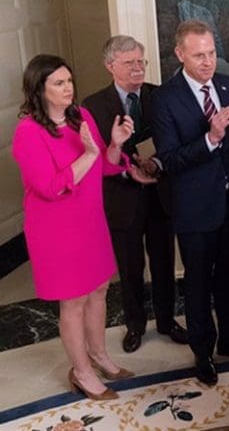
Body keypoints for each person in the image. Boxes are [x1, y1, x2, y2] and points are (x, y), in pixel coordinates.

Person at [12, 55, 149, 399]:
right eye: (58, 83)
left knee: (99, 289)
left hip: (90, 221)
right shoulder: (28, 132)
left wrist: (115, 144)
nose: (68, 88)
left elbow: (105, 166)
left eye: (69, 80)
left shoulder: (81, 116)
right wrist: (87, 154)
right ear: (39, 90)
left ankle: (100, 355)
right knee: (72, 301)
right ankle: (82, 371)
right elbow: (50, 186)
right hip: (56, 231)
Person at [152, 19, 229, 386]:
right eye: (199, 55)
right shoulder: (164, 98)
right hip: (194, 209)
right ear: (180, 54)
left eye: (212, 53)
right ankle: (203, 353)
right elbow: (169, 160)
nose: (207, 61)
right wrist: (212, 137)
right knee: (199, 285)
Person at [83, 35, 188, 353]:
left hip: (160, 193)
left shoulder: (162, 96)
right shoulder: (93, 105)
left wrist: (155, 164)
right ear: (110, 65)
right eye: (129, 63)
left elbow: (177, 141)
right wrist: (130, 168)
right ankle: (135, 325)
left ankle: (168, 321)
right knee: (129, 268)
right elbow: (95, 156)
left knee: (164, 261)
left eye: (141, 61)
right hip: (122, 199)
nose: (138, 68)